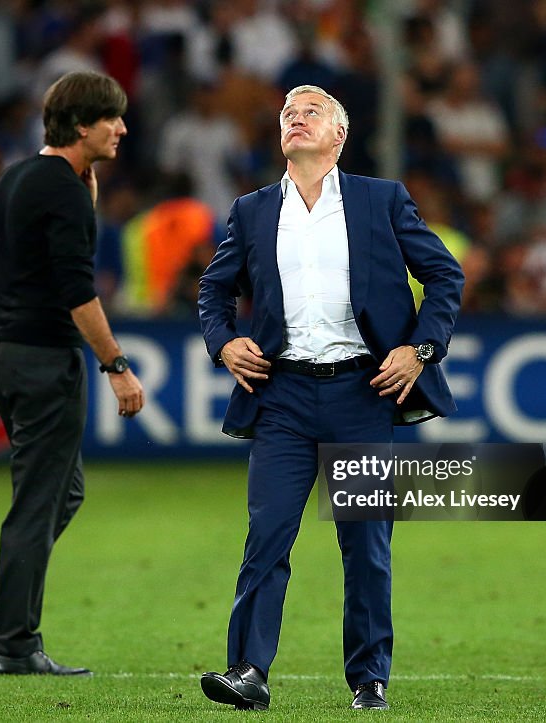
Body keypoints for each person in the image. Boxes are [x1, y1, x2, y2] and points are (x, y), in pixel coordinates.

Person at [198, 85, 464, 710]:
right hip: (282, 393)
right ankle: (248, 672)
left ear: (339, 135)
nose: (295, 118)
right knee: (267, 536)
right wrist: (223, 343)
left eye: (310, 111)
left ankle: (368, 677)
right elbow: (213, 291)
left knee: (365, 542)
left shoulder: (381, 199)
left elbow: (444, 275)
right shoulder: (253, 210)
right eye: (288, 114)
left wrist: (420, 349)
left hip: (360, 389)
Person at [0, 71, 144, 676]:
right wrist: (116, 364)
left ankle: (2, 620)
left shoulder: (17, 177)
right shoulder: (63, 190)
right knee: (38, 503)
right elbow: (76, 289)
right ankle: (15, 644)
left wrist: (85, 198)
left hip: (4, 351)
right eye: (112, 118)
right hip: (45, 357)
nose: (122, 128)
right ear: (80, 126)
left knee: (62, 493)